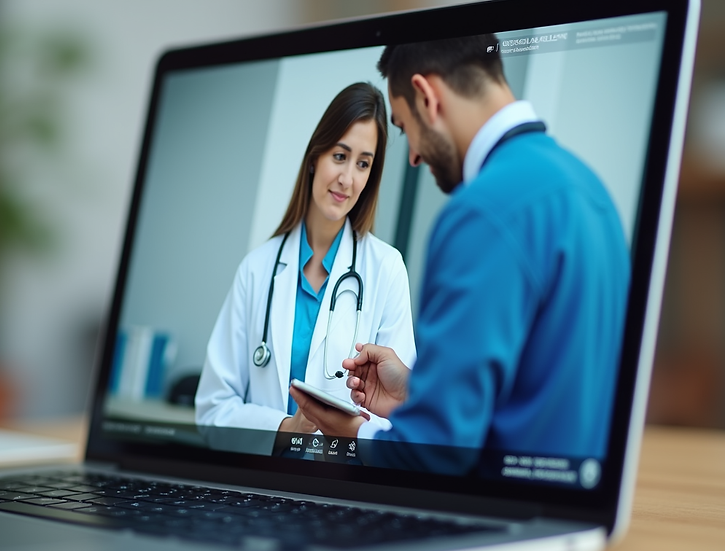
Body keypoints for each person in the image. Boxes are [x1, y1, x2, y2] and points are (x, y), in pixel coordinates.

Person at [291, 36, 630, 475]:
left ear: (427, 97)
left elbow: (433, 455)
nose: (412, 155)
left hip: (491, 528)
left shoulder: (482, 213)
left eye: (403, 127)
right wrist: (418, 392)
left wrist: (352, 432)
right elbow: (538, 391)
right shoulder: (593, 193)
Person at [196, 82, 416, 453]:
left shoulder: (386, 269)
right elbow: (212, 410)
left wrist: (345, 428)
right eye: (340, 156)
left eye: (363, 163)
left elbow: (401, 417)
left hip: (339, 489)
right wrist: (285, 428)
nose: (347, 179)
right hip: (258, 487)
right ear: (315, 157)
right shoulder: (257, 269)